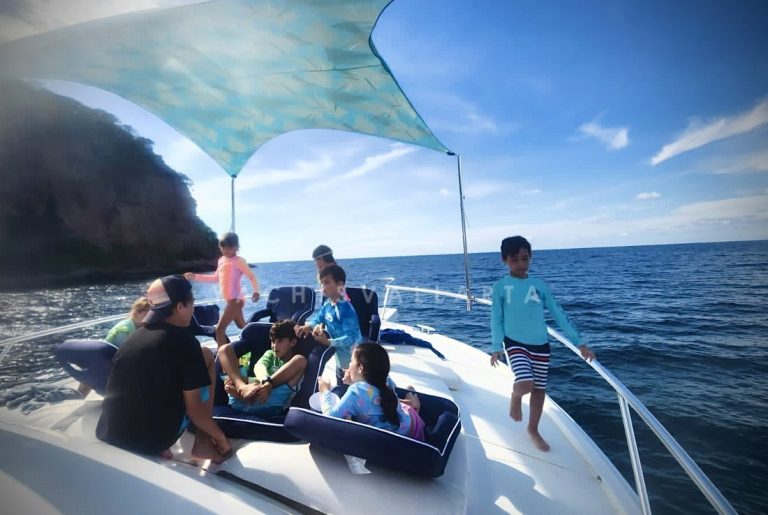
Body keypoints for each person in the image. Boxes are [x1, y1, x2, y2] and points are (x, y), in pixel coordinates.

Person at [96, 275, 232, 463]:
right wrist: (220, 437)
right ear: (179, 307)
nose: (193, 308)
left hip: (107, 432)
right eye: (191, 302)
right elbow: (195, 412)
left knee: (202, 356)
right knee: (207, 356)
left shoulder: (133, 338)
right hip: (150, 442)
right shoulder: (185, 342)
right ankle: (203, 443)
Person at [490, 236, 595, 452]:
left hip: (541, 345)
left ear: (530, 257)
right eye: (514, 260)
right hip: (515, 343)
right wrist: (496, 346)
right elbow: (496, 318)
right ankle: (516, 396)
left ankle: (533, 429)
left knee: (539, 390)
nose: (520, 264)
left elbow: (558, 313)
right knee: (526, 384)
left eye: (525, 259)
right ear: (504, 260)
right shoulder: (500, 287)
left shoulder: (539, 285)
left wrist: (580, 343)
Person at [317, 342, 425, 441]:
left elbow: (330, 418)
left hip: (398, 439)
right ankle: (412, 399)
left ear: (360, 368)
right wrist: (354, 381)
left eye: (351, 361)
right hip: (411, 428)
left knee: (410, 397)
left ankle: (413, 402)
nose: (349, 365)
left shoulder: (355, 391)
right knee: (406, 396)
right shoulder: (386, 380)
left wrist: (324, 390)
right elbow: (371, 393)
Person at [185, 232, 260, 347]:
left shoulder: (239, 261)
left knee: (219, 330)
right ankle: (263, 337)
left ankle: (221, 360)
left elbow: (252, 276)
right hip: (230, 301)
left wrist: (256, 291)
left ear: (236, 247)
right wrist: (195, 276)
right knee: (243, 326)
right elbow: (215, 278)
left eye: (229, 247)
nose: (226, 250)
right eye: (223, 247)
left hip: (236, 300)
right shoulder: (221, 261)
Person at [218, 320, 307, 416]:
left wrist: (268, 386)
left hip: (270, 405)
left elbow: (300, 362)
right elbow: (259, 366)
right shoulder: (270, 354)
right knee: (224, 350)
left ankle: (243, 395)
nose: (274, 345)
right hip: (244, 397)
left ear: (293, 342)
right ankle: (241, 389)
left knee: (301, 359)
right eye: (272, 341)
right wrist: (265, 382)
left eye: (280, 341)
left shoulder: (295, 362)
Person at [295, 264, 361, 384]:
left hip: (354, 362)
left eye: (326, 282)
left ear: (340, 285)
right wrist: (308, 326)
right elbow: (318, 318)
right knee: (341, 385)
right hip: (341, 360)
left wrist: (328, 342)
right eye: (321, 283)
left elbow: (350, 338)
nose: (322, 287)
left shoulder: (346, 309)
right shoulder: (328, 304)